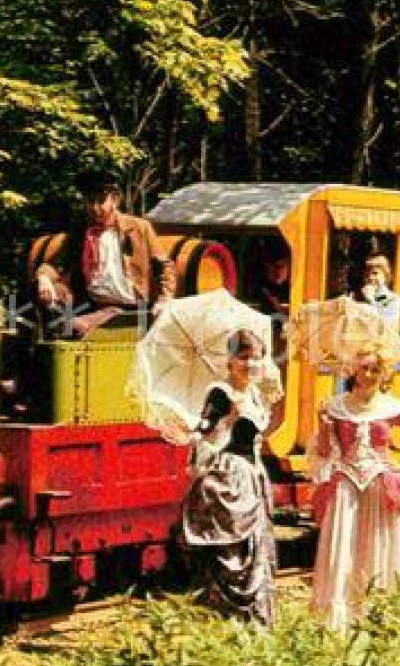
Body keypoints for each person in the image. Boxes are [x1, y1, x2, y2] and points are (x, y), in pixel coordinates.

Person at [308, 347, 400, 632]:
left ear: (384, 374)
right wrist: (323, 427)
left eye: (375, 369)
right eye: (364, 368)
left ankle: (379, 614)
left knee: (380, 545)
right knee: (344, 546)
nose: (369, 374)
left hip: (380, 482)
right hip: (346, 482)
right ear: (353, 371)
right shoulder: (335, 406)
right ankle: (340, 622)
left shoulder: (394, 406)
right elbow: (322, 451)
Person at [179, 329, 284, 625]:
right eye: (243, 357)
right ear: (230, 360)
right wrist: (228, 420)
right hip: (228, 477)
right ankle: (226, 620)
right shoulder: (220, 393)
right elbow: (200, 444)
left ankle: (254, 621)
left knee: (255, 549)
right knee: (231, 553)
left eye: (256, 357)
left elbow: (258, 438)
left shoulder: (254, 393)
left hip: (253, 477)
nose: (250, 364)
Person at [34, 176, 175, 337]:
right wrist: (44, 278)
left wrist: (165, 300)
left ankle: (68, 334)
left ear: (115, 200)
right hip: (90, 304)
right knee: (46, 291)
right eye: (89, 201)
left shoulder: (139, 228)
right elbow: (56, 264)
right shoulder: (81, 231)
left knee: (74, 327)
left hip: (129, 310)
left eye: (101, 201)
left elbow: (164, 266)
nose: (94, 208)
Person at [359, 254, 400, 330]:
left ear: (385, 275)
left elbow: (384, 328)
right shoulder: (359, 297)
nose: (370, 278)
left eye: (375, 273)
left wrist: (371, 300)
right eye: (367, 274)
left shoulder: (392, 299)